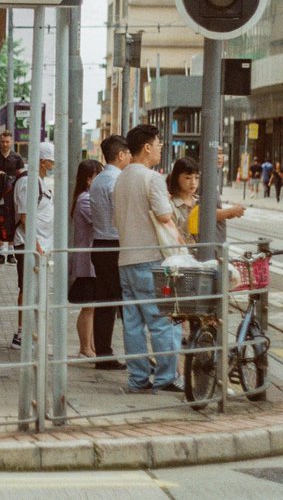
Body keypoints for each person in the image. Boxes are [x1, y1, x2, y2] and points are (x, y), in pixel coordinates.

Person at [113, 124, 183, 393]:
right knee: (162, 322)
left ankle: (138, 379)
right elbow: (165, 216)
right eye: (158, 144)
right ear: (146, 148)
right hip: (151, 259)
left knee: (132, 324)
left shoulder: (121, 178)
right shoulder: (151, 178)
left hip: (126, 259)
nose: (160, 148)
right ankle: (165, 380)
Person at [87, 135, 131, 370]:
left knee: (104, 303)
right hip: (116, 246)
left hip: (100, 244)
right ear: (121, 155)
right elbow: (123, 215)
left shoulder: (99, 180)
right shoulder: (117, 181)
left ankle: (104, 353)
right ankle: (138, 356)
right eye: (128, 153)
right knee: (125, 303)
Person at [10, 141, 55, 349]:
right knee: (28, 289)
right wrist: (35, 245)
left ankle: (32, 333)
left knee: (36, 291)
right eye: (51, 162)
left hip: (39, 246)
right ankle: (21, 334)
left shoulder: (38, 181)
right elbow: (25, 217)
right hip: (29, 246)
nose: (53, 165)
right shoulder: (29, 182)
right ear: (43, 162)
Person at [68, 158, 104, 360]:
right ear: (89, 179)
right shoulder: (84, 199)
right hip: (87, 261)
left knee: (93, 305)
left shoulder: (86, 197)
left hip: (91, 260)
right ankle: (85, 348)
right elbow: (99, 220)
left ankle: (90, 346)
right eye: (98, 176)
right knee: (89, 306)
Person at [168, 156, 245, 245]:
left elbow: (212, 215)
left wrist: (230, 213)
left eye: (196, 178)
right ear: (176, 178)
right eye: (188, 178)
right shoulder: (171, 205)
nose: (193, 182)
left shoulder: (201, 201)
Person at [0, 130, 25, 265]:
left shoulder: (17, 157)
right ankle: (1, 253)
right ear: (0, 141)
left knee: (12, 224)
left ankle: (11, 253)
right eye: (3, 141)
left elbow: (21, 176)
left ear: (11, 142)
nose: (5, 144)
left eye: (7, 141)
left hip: (13, 195)